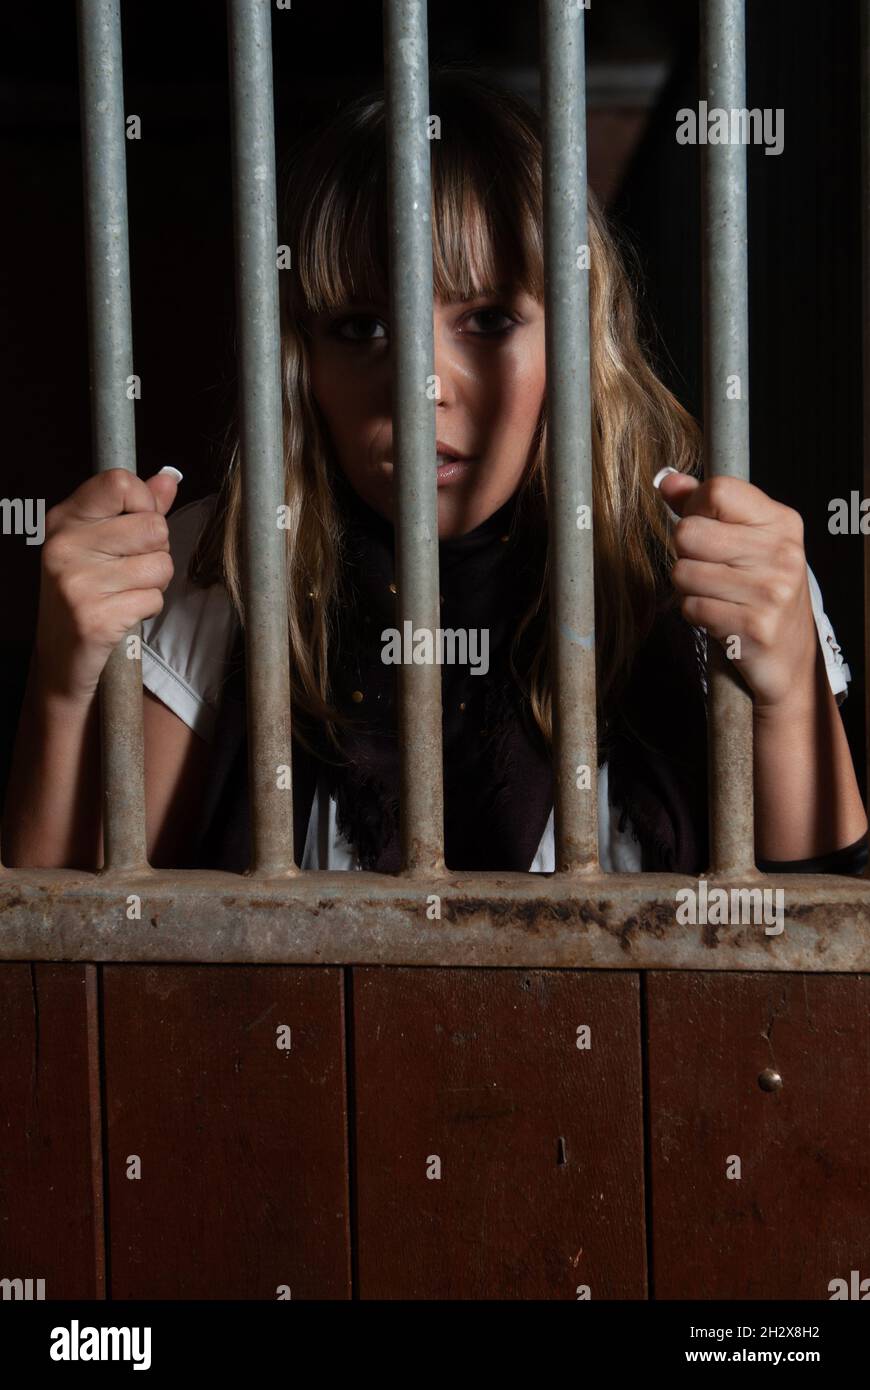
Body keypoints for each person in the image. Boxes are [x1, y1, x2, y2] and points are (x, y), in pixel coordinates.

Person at [3, 66, 867, 875]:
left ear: (574, 339)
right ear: (300, 359)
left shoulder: (714, 565)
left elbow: (820, 976)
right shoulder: (210, 570)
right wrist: (63, 680)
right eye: (361, 328)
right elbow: (71, 970)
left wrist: (788, 683)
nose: (422, 387)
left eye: (487, 319)